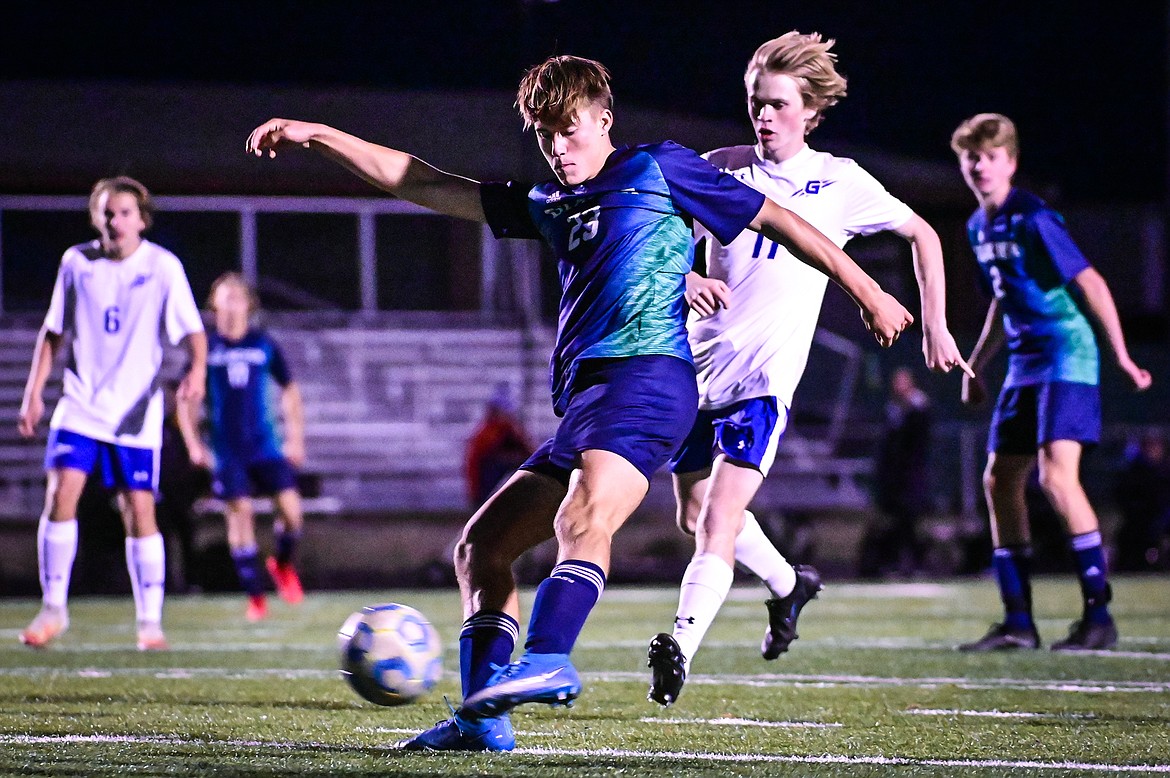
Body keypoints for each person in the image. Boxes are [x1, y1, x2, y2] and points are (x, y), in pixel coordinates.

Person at [246, 53, 913, 752]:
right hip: (589, 402)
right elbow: (420, 180)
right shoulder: (548, 204)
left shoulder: (659, 167)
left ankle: (550, 656)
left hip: (650, 383)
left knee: (584, 515)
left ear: (603, 119)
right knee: (481, 547)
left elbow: (780, 220)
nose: (558, 148)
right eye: (545, 135)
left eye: (570, 130)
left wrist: (868, 291)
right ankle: (482, 721)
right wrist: (318, 134)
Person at [646, 31, 970, 706]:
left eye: (776, 105)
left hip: (763, 381)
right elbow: (657, 242)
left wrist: (934, 322)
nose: (762, 117)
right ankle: (791, 585)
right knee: (693, 514)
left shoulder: (842, 181)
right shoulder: (720, 166)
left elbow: (923, 234)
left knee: (719, 519)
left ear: (811, 111)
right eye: (754, 103)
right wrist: (681, 279)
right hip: (698, 370)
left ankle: (679, 644)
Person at [952, 113, 1152, 652]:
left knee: (1057, 478)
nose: (979, 165)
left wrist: (1123, 357)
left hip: (1067, 353)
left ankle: (1099, 616)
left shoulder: (1033, 217)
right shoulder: (977, 226)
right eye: (971, 156)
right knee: (999, 480)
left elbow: (1092, 283)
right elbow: (1002, 300)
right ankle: (1018, 622)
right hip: (1024, 362)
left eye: (990, 156)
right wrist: (977, 365)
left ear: (1011, 163)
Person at [17, 176, 207, 651]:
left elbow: (193, 333)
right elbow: (53, 332)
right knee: (61, 493)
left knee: (139, 510)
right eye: (106, 211)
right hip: (80, 403)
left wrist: (197, 371)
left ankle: (149, 624)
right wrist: (34, 391)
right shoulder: (76, 262)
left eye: (123, 212)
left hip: (134, 412)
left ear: (142, 219)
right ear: (94, 217)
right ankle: (54, 609)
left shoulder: (163, 267)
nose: (114, 220)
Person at [176, 272, 307, 621]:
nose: (232, 303)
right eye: (225, 296)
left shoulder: (264, 344)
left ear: (249, 304)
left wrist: (295, 437)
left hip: (266, 446)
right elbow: (185, 398)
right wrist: (194, 444)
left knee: (292, 513)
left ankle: (281, 563)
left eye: (238, 296)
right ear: (213, 304)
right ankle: (256, 597)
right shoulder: (207, 349)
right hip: (227, 451)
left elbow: (290, 390)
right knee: (240, 516)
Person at [857, 366, 933, 579]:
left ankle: (916, 565)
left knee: (912, 523)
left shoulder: (917, 409)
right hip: (893, 479)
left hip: (911, 477)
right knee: (893, 524)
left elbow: (917, 439)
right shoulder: (892, 410)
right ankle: (894, 564)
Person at [464, 383, 534, 506]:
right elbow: (477, 464)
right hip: (486, 488)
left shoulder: (511, 430)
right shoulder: (487, 433)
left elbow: (529, 452)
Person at [1112, 431, 1170, 572]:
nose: (1153, 450)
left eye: (1156, 446)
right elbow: (1122, 496)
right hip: (1138, 522)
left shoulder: (1165, 471)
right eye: (1149, 446)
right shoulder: (1135, 472)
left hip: (1162, 520)